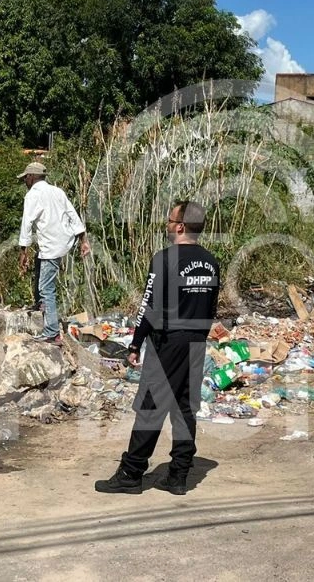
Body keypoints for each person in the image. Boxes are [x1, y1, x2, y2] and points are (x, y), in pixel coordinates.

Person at [95, 201, 220, 496]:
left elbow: (149, 306)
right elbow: (211, 307)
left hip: (168, 341)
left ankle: (131, 472)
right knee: (185, 407)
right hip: (196, 342)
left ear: (180, 226)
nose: (167, 225)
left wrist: (135, 343)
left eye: (169, 220)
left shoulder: (165, 259)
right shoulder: (211, 262)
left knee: (151, 407)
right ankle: (178, 475)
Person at [16, 162, 90, 344]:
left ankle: (51, 332)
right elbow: (72, 214)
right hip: (63, 241)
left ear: (31, 177)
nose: (25, 181)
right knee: (39, 265)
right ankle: (40, 304)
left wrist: (23, 251)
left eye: (26, 177)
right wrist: (83, 240)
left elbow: (26, 223)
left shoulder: (32, 195)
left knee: (46, 287)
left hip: (51, 246)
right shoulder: (57, 191)